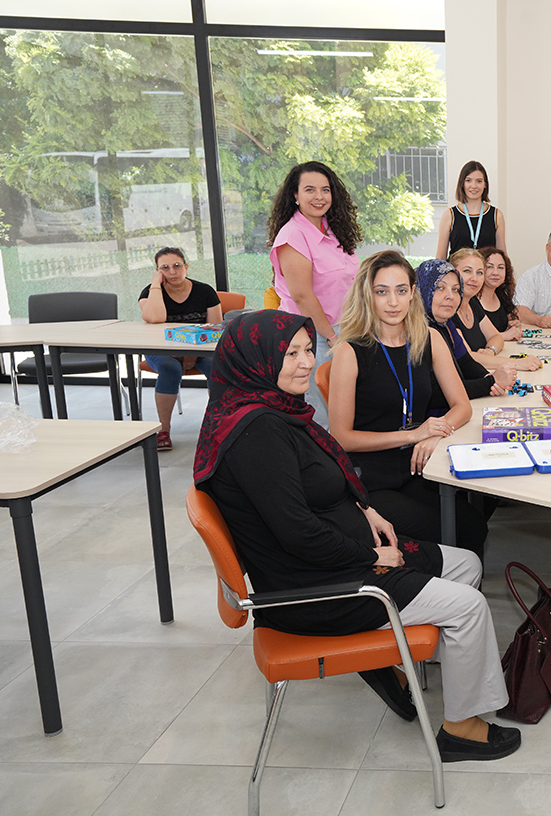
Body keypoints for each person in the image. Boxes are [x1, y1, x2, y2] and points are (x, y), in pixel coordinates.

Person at [193, 311, 520, 760]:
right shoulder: (258, 434)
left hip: (332, 557)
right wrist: (371, 557)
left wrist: (366, 510)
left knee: (466, 563)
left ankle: (400, 663)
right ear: (257, 361)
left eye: (307, 350)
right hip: (314, 588)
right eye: (290, 354)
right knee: (469, 606)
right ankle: (461, 729)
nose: (306, 362)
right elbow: (297, 534)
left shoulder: (275, 410)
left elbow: (317, 483)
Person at [328, 251, 490, 557]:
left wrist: (435, 432)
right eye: (382, 292)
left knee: (472, 525)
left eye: (401, 291)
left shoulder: (429, 338)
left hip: (414, 467)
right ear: (367, 295)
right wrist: (415, 434)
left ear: (413, 293)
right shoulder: (349, 351)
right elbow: (341, 437)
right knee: (445, 530)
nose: (393, 302)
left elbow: (462, 406)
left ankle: (458, 583)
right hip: (370, 477)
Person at [267, 160, 362, 427]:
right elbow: (302, 297)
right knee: (320, 413)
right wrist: (332, 338)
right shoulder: (292, 236)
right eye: (309, 190)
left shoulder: (333, 230)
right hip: (311, 335)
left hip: (343, 330)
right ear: (295, 195)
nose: (319, 196)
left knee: (344, 407)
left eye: (325, 190)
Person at [137, 246, 223, 451]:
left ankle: (218, 426)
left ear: (186, 267)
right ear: (158, 271)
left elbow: (215, 330)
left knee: (218, 367)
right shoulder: (150, 292)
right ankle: (163, 430)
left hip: (199, 349)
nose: (172, 272)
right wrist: (156, 285)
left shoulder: (205, 291)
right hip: (161, 350)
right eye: (164, 268)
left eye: (177, 266)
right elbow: (155, 318)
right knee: (170, 368)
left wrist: (191, 354)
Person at [416, 259, 516, 401]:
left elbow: (465, 362)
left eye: (455, 289)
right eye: (440, 287)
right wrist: (491, 382)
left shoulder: (447, 325)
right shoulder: (416, 333)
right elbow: (436, 393)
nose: (450, 296)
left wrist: (488, 378)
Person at [449, 248, 540, 373]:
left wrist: (490, 350)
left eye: (480, 272)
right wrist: (517, 363)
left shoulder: (472, 303)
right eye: (467, 271)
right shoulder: (448, 310)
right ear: (452, 274)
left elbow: (496, 336)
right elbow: (468, 357)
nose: (474, 278)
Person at [435, 160, 506, 259]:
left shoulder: (496, 215)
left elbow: (502, 255)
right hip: (457, 269)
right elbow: (440, 257)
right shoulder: (449, 215)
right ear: (462, 183)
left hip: (486, 269)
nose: (474, 186)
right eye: (468, 180)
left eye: (479, 181)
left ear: (485, 184)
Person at [477, 246, 521, 341]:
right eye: (489, 267)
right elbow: (472, 339)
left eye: (500, 267)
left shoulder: (502, 296)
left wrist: (513, 324)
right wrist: (503, 335)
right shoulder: (471, 300)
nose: (495, 272)